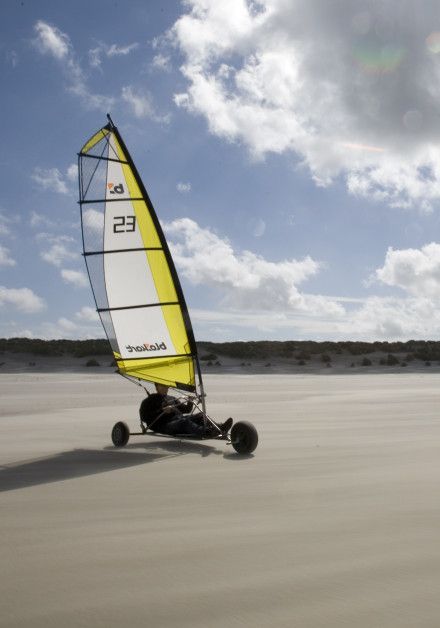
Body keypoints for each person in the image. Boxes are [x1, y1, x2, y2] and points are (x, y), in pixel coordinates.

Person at [139, 383, 233, 438]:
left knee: (200, 415)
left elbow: (186, 410)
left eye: (166, 386)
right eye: (162, 386)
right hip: (163, 425)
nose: (165, 388)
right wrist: (162, 411)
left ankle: (220, 428)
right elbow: (144, 417)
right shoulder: (149, 401)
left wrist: (190, 401)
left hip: (178, 420)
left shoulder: (171, 398)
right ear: (157, 386)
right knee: (184, 422)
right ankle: (207, 432)